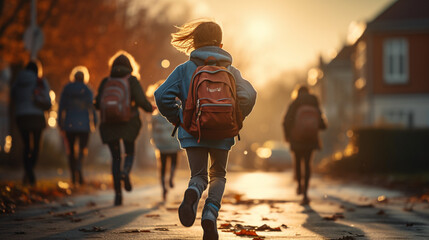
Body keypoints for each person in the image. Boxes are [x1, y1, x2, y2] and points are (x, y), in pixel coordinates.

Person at [154, 19, 257, 240]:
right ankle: (210, 213)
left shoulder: (184, 69)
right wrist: (236, 119)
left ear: (194, 43)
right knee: (218, 174)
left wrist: (179, 118)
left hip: (193, 132)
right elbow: (249, 95)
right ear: (220, 45)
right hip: (223, 133)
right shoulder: (230, 70)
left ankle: (193, 192)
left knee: (199, 175)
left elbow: (161, 96)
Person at [95, 51, 155, 206]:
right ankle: (126, 171)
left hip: (109, 124)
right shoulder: (132, 80)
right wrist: (151, 108)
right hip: (129, 123)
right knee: (129, 152)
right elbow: (141, 100)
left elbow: (97, 103)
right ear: (130, 66)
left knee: (115, 158)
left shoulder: (106, 81)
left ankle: (118, 195)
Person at [283, 85, 326, 205]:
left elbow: (286, 121)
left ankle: (299, 186)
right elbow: (321, 120)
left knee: (297, 161)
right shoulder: (314, 102)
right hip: (311, 139)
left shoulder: (295, 102)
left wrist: (287, 135)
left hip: (296, 139)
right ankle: (306, 194)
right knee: (307, 164)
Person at [12, 60, 51, 186]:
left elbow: (13, 96)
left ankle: (28, 172)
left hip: (21, 116)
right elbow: (47, 99)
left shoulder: (18, 82)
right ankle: (30, 172)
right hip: (37, 116)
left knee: (26, 146)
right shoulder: (40, 81)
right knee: (36, 147)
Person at [58, 66, 97, 186]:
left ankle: (73, 176)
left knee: (70, 151)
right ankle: (79, 167)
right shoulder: (87, 89)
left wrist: (60, 122)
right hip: (84, 125)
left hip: (69, 124)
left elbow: (61, 107)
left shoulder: (67, 89)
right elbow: (92, 108)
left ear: (73, 77)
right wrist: (94, 122)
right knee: (82, 149)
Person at [148, 80, 181, 201]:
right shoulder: (175, 108)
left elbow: (151, 130)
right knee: (173, 162)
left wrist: (154, 140)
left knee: (162, 166)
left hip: (161, 144)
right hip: (173, 142)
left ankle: (163, 188)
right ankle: (171, 177)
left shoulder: (155, 114)